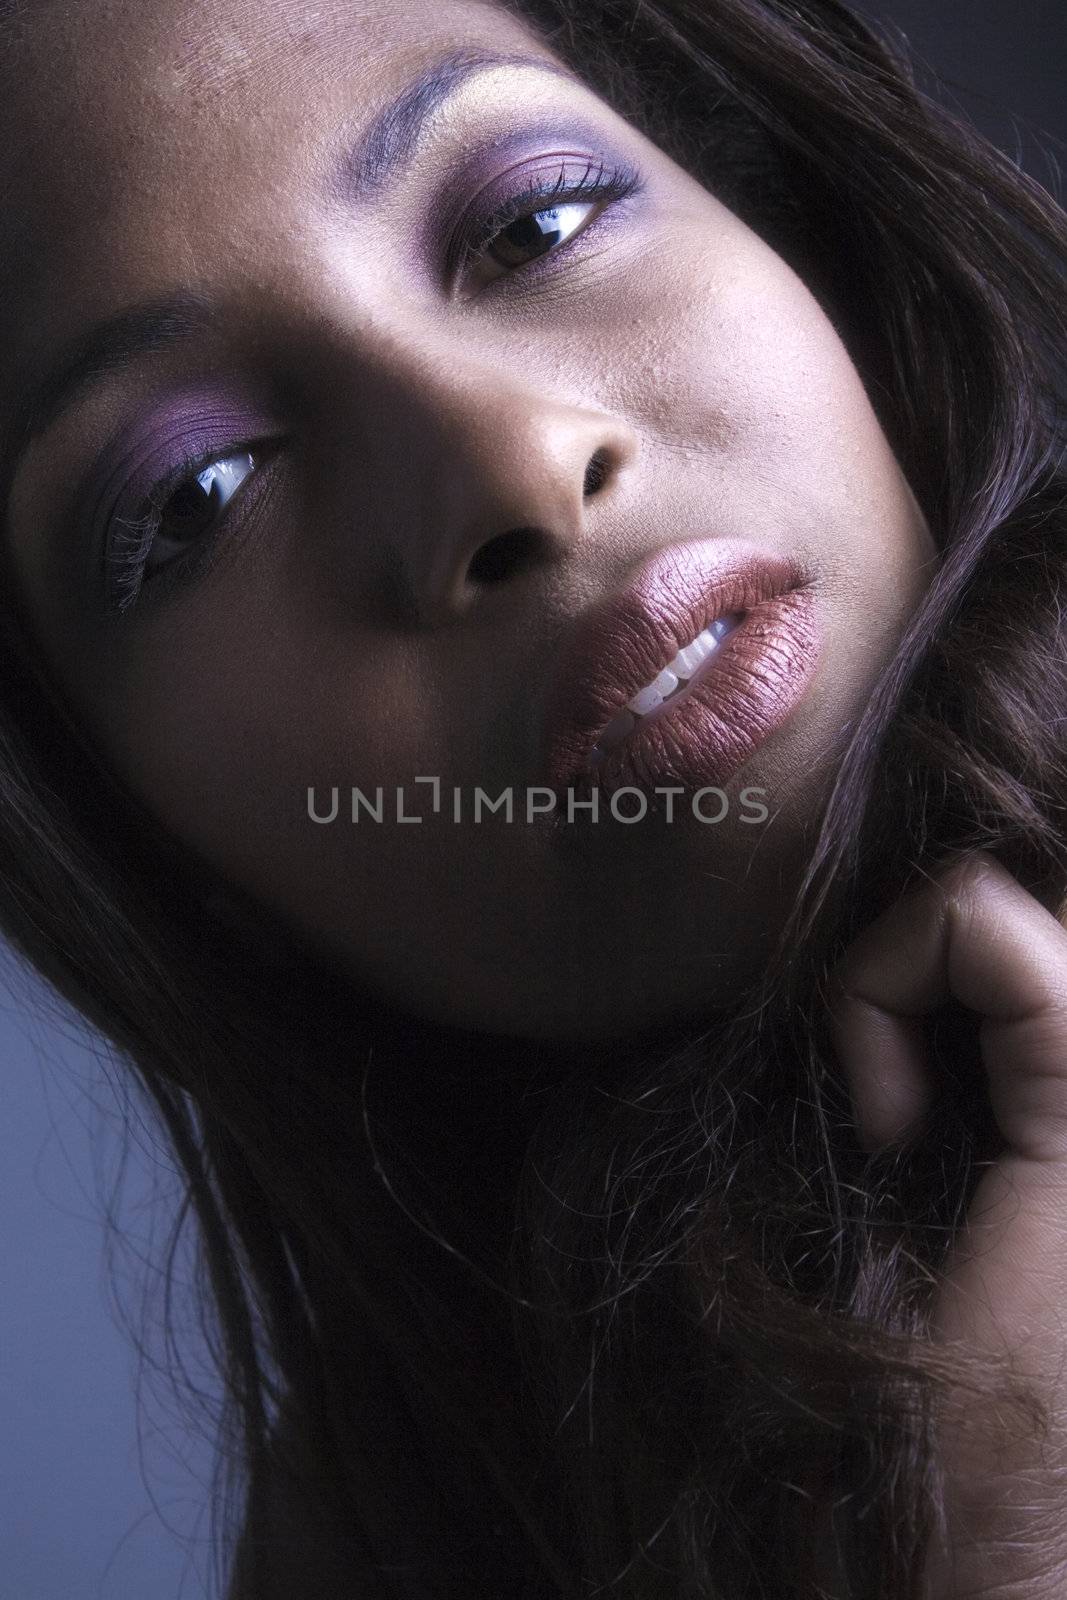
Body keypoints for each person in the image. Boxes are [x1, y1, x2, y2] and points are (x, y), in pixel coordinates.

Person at [0, 0, 1064, 1594]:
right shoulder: (386, 1549)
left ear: (787, 232)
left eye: (533, 223)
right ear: (154, 843)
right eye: (200, 491)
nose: (509, 462)